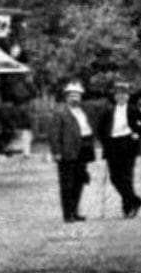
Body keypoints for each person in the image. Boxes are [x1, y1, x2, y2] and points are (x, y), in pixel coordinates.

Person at [96, 80, 141, 218]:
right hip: (112, 145)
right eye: (118, 94)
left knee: (127, 177)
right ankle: (135, 200)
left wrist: (139, 134)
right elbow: (100, 129)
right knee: (114, 177)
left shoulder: (134, 110)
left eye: (124, 94)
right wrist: (105, 141)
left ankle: (127, 208)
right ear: (115, 97)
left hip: (128, 144)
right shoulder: (108, 111)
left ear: (128, 96)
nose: (121, 97)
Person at [48, 81, 96, 223]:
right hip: (67, 152)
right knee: (67, 184)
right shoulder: (60, 113)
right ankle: (67, 214)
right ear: (66, 97)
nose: (75, 98)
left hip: (83, 150)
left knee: (79, 182)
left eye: (77, 95)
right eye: (71, 95)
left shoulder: (82, 111)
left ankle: (75, 212)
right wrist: (56, 151)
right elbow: (54, 134)